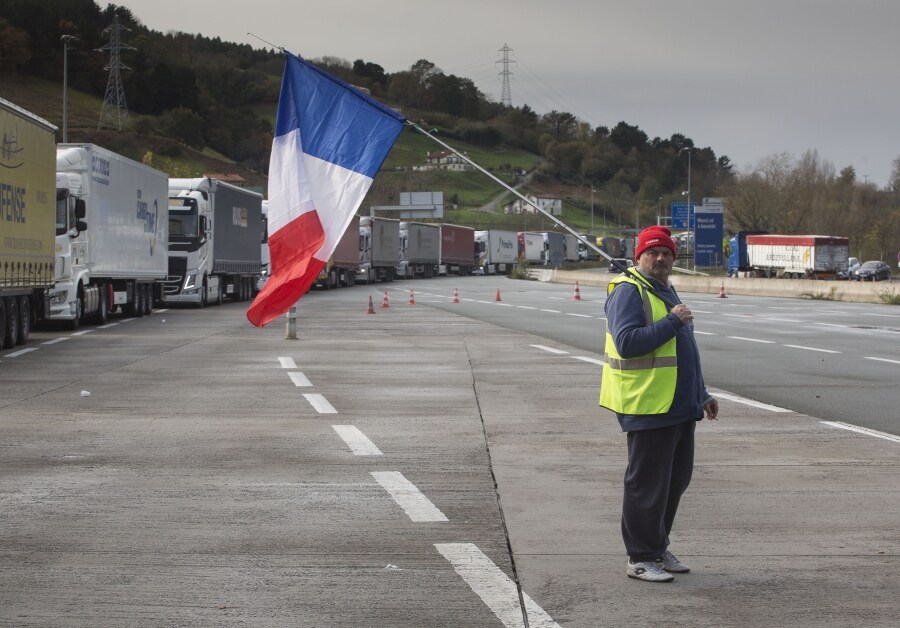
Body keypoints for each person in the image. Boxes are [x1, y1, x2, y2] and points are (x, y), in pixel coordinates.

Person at [599, 225, 719, 583]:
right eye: (652, 252)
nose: (661, 258)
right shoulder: (629, 291)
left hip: (679, 406)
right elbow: (627, 342)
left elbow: (685, 353)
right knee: (647, 484)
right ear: (639, 257)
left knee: (675, 480)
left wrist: (702, 393)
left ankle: (657, 546)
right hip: (648, 404)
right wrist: (672, 320)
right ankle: (641, 557)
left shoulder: (664, 288)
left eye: (666, 252)